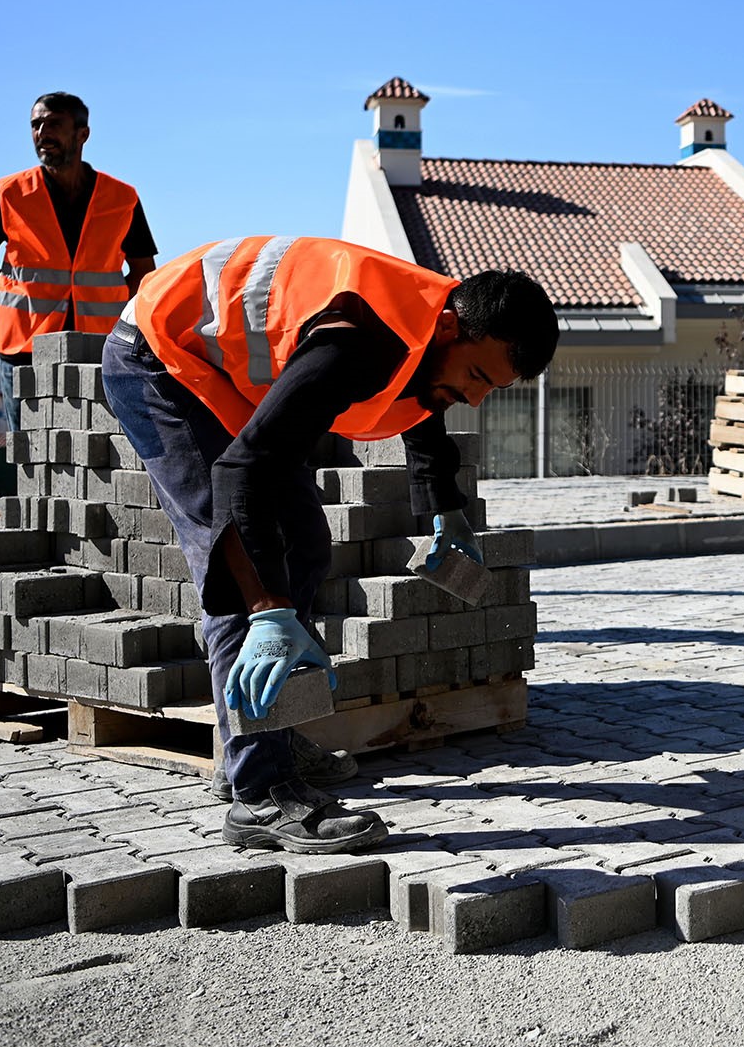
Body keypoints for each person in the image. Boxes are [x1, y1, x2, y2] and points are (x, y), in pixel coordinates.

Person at [102, 236, 559, 854]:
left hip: (218, 373)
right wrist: (269, 610)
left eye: (492, 389)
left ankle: (271, 734)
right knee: (242, 564)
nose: (476, 396)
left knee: (305, 547)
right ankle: (260, 793)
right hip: (160, 360)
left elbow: (426, 401)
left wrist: (444, 509)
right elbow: (242, 472)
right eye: (477, 376)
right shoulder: (357, 341)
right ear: (451, 327)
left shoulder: (427, 332)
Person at [0, 92, 158, 426]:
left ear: (82, 134)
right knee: (29, 449)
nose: (42, 133)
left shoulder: (121, 198)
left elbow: (142, 271)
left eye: (54, 124)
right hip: (24, 348)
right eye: (36, 124)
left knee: (94, 444)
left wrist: (116, 312)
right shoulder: (11, 193)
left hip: (98, 345)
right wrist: (16, 295)